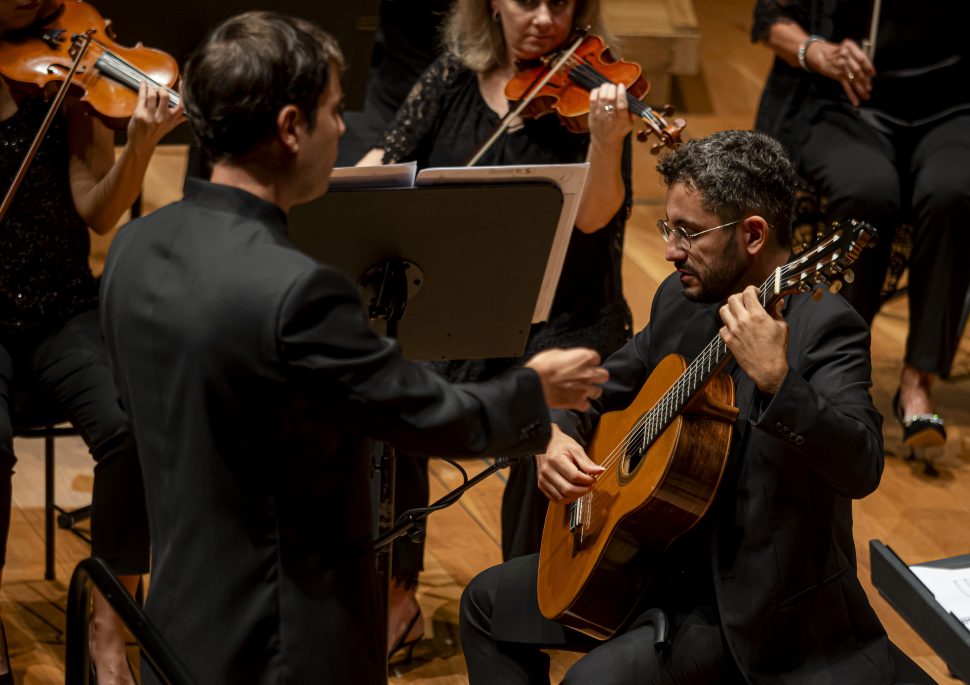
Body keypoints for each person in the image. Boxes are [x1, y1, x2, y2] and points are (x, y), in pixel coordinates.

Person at [98, 12, 609, 685]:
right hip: (283, 641)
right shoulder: (295, 292)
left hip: (176, 619)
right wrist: (533, 390)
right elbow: (427, 417)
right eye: (335, 111)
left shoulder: (133, 249)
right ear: (289, 128)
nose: (344, 130)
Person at [458, 129, 908, 684]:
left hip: (744, 608)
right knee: (485, 603)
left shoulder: (823, 326)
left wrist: (778, 382)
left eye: (689, 233)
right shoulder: (681, 297)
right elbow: (596, 386)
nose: (670, 250)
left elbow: (861, 465)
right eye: (668, 227)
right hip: (645, 557)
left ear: (752, 235)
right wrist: (554, 432)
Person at [358, 0, 636, 654]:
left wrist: (607, 139)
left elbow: (596, 219)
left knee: (550, 433)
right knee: (382, 392)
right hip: (462, 312)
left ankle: (521, 610)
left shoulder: (595, 94)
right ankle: (397, 595)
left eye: (561, 3)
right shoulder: (453, 77)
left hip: (563, 321)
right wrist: (336, 193)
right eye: (525, 1)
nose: (544, 18)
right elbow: (390, 155)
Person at [0, 1, 183, 683]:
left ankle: (111, 626)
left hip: (58, 310)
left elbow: (97, 210)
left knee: (130, 425)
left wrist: (139, 144)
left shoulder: (67, 79)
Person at [752, 0, 970, 456]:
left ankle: (918, 381)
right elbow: (770, 21)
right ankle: (841, 371)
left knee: (954, 192)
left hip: (951, 108)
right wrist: (818, 51)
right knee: (867, 192)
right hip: (842, 105)